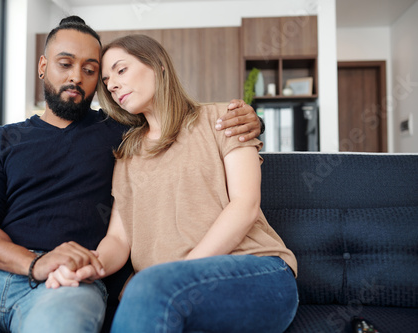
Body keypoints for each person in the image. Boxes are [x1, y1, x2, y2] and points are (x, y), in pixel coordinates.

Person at [0, 17, 262, 333]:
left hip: (68, 284)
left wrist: (246, 117)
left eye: (91, 69)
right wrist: (34, 263)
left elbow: (178, 120)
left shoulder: (124, 134)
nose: (76, 77)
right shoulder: (2, 139)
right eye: (65, 64)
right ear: (43, 66)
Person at [47, 34, 299, 332]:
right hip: (168, 289)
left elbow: (245, 206)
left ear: (158, 65)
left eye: (121, 70)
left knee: (147, 286)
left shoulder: (223, 119)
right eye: (106, 80)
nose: (112, 84)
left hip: (257, 271)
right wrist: (89, 266)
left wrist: (172, 274)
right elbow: (119, 239)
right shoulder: (127, 154)